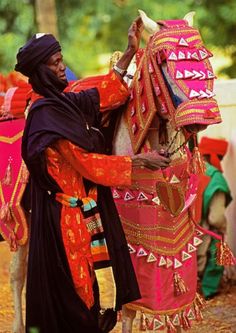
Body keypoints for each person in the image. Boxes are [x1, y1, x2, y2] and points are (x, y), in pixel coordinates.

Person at [15, 17, 170, 333]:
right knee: (77, 293)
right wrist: (140, 162)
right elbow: (88, 164)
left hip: (85, 216)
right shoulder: (46, 116)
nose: (62, 67)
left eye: (62, 60)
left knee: (94, 293)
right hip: (64, 221)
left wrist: (129, 52)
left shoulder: (64, 103)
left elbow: (105, 95)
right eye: (55, 63)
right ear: (41, 70)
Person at [197, 136, 232, 299]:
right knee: (216, 254)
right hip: (205, 233)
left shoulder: (190, 169)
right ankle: (209, 291)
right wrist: (223, 228)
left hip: (185, 231)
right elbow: (215, 218)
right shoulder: (216, 178)